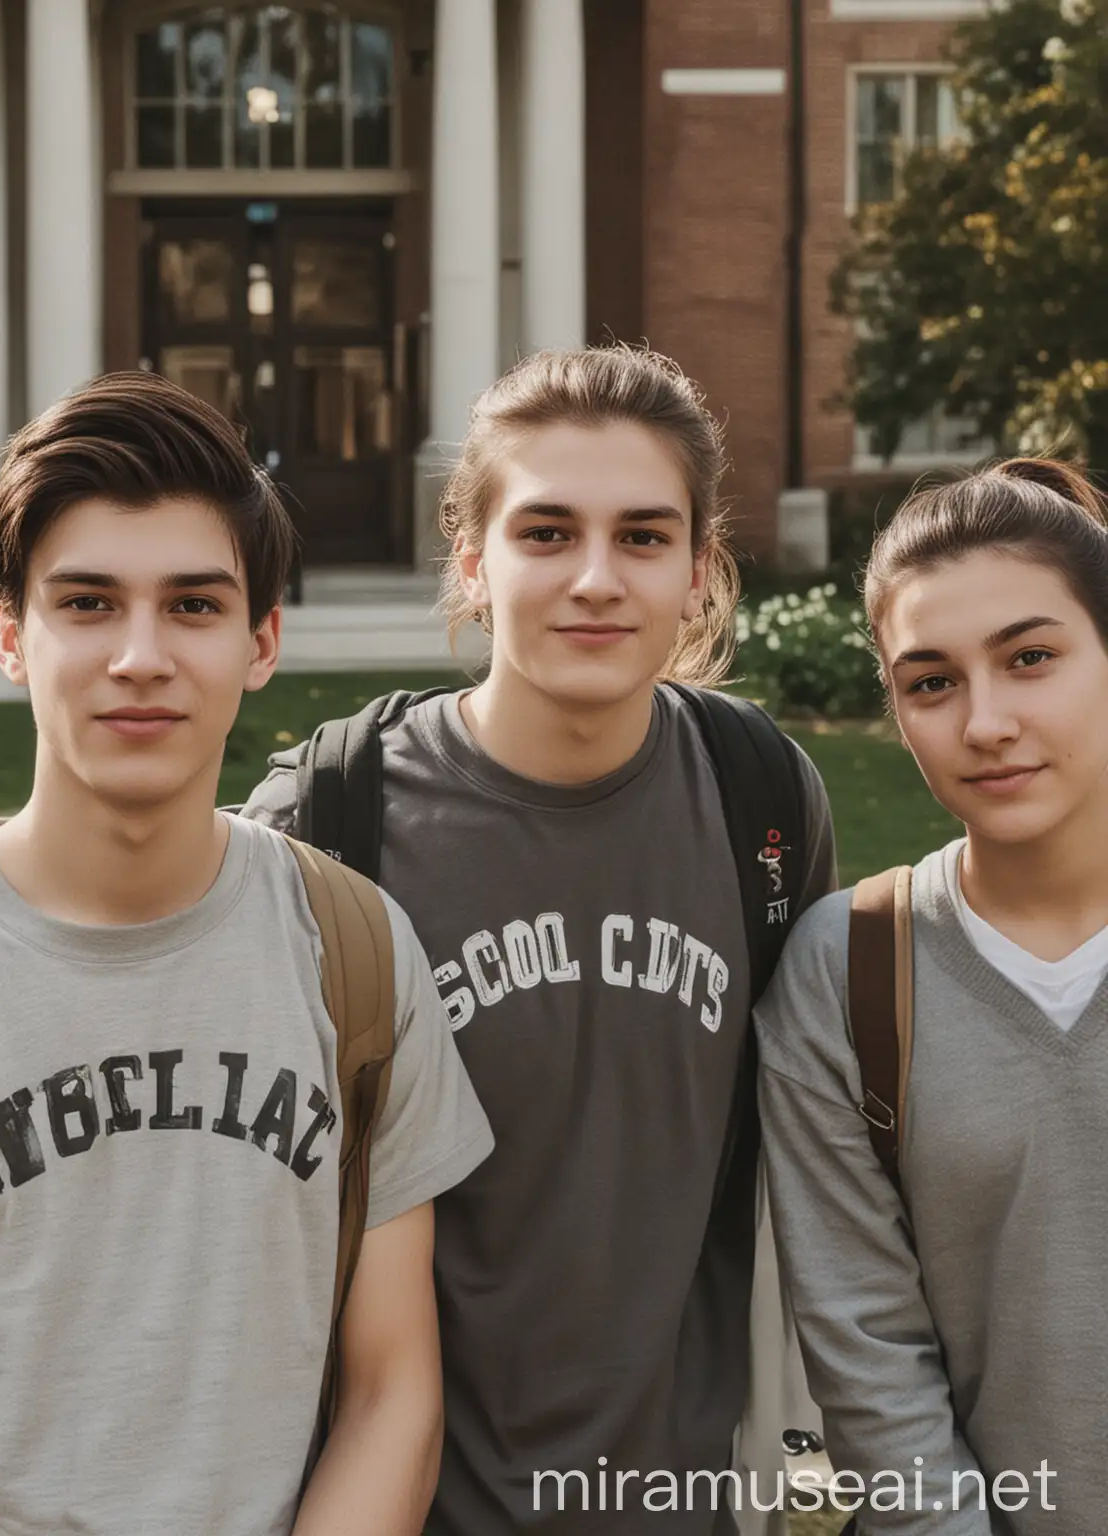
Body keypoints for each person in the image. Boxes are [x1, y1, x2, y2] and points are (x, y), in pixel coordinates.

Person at [0, 370, 494, 1535]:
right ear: (8, 638)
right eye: (86, 604)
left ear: (263, 641)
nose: (141, 655)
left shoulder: (356, 957)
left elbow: (393, 1392)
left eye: (193, 606)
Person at [243, 344, 837, 1532]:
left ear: (701, 571)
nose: (598, 579)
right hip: (401, 1505)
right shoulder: (330, 823)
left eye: (645, 537)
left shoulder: (763, 801)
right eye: (548, 532)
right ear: (473, 560)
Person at [758, 458, 1108, 1536]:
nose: (986, 721)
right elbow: (872, 1361)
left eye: (1031, 659)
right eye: (931, 681)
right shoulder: (851, 969)